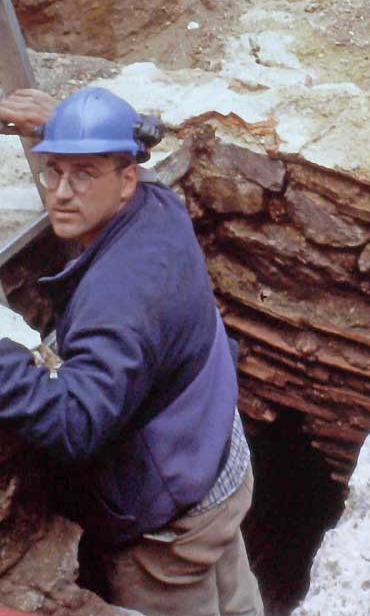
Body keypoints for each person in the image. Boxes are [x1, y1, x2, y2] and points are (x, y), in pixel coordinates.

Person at [0, 86, 263, 616]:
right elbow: (133, 144)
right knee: (236, 595)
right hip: (221, 463)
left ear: (125, 180)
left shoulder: (119, 299)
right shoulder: (157, 205)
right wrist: (75, 127)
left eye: (84, 174)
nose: (60, 193)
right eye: (54, 170)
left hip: (172, 519)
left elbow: (75, 424)